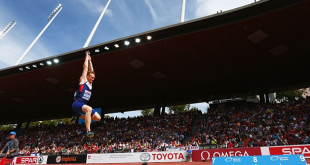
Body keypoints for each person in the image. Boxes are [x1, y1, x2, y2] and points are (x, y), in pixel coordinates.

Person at [72, 51, 101, 138]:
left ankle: (82, 116)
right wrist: (86, 57)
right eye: (92, 77)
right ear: (87, 77)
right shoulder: (83, 80)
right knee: (89, 109)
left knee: (98, 118)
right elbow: (86, 68)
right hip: (76, 103)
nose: (93, 79)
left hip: (83, 105)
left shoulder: (90, 84)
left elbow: (92, 71)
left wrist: (90, 61)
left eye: (94, 78)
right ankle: (88, 131)